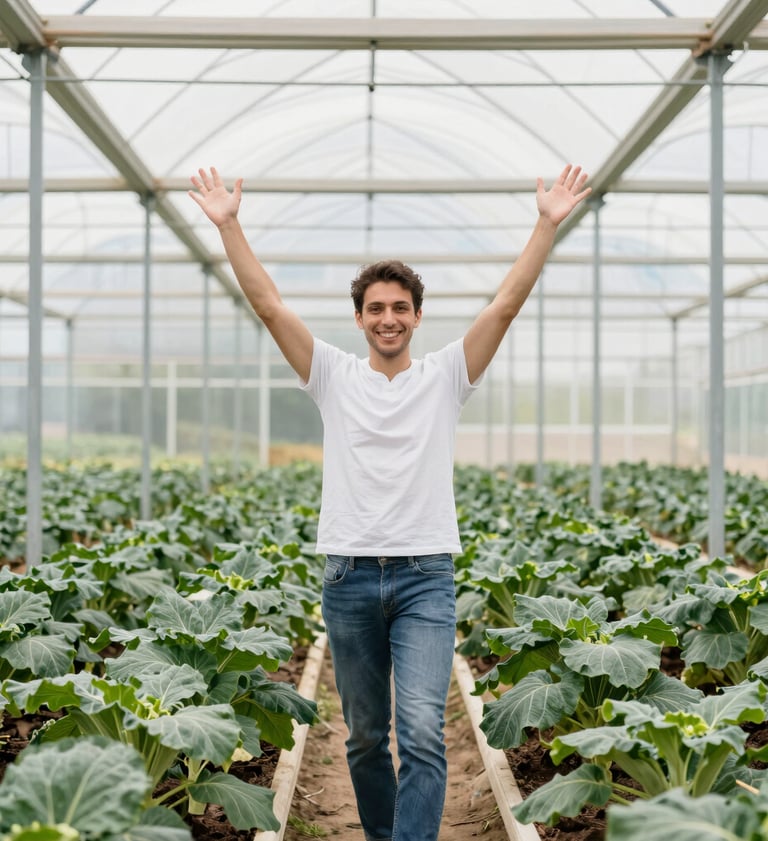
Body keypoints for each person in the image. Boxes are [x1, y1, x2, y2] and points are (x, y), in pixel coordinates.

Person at [189, 164, 591, 841]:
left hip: (425, 577)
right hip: (347, 576)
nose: (388, 318)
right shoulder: (332, 375)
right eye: (376, 308)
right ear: (359, 318)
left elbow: (503, 307)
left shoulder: (445, 376)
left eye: (400, 307)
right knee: (366, 736)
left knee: (424, 730)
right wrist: (229, 225)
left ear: (417, 316)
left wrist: (546, 224)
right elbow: (270, 307)